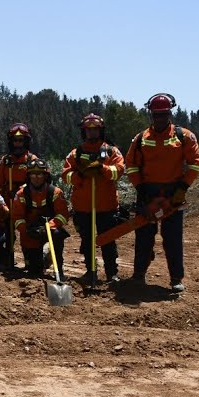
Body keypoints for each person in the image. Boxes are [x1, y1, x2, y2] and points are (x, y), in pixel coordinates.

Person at [125, 93, 199, 293]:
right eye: (156, 114)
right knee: (143, 236)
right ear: (151, 114)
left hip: (174, 192)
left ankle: (176, 278)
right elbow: (131, 165)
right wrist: (140, 189)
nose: (160, 118)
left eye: (163, 114)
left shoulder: (184, 136)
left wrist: (182, 188)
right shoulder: (141, 138)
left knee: (173, 237)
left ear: (169, 113)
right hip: (147, 191)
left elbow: (195, 165)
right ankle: (139, 274)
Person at [61, 113, 127, 285]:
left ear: (101, 130)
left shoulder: (111, 151)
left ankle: (112, 273)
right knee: (87, 242)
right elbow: (66, 176)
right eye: (88, 130)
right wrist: (81, 174)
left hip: (106, 206)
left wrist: (102, 169)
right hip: (83, 207)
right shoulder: (76, 153)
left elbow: (119, 171)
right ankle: (91, 271)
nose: (92, 133)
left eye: (95, 130)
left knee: (108, 241)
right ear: (84, 132)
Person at [11, 159, 71, 278]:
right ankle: (45, 256)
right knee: (34, 271)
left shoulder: (55, 192)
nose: (36, 178)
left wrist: (48, 227)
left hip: (49, 229)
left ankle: (58, 269)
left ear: (45, 176)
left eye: (39, 174)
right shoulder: (21, 194)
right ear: (29, 176)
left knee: (58, 234)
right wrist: (26, 229)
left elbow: (63, 215)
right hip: (30, 232)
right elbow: (16, 217)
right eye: (33, 174)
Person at [0, 123, 40, 268]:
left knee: (27, 233)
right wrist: (0, 204)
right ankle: (7, 258)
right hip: (8, 203)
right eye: (15, 140)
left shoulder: (32, 159)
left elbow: (38, 182)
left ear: (26, 141)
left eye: (21, 140)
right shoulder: (5, 161)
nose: (18, 143)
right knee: (7, 234)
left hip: (27, 203)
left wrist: (22, 191)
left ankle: (30, 260)